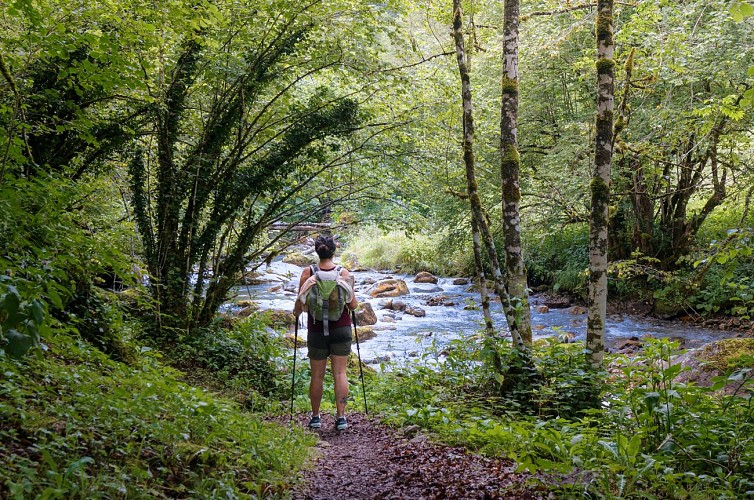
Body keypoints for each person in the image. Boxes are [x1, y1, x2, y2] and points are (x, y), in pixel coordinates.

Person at [295, 234, 358, 431]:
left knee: (317, 376)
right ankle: (341, 418)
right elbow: (353, 305)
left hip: (316, 329)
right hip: (341, 328)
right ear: (333, 250)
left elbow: (299, 307)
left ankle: (315, 417)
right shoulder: (343, 273)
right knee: (340, 373)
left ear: (317, 251)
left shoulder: (308, 273)